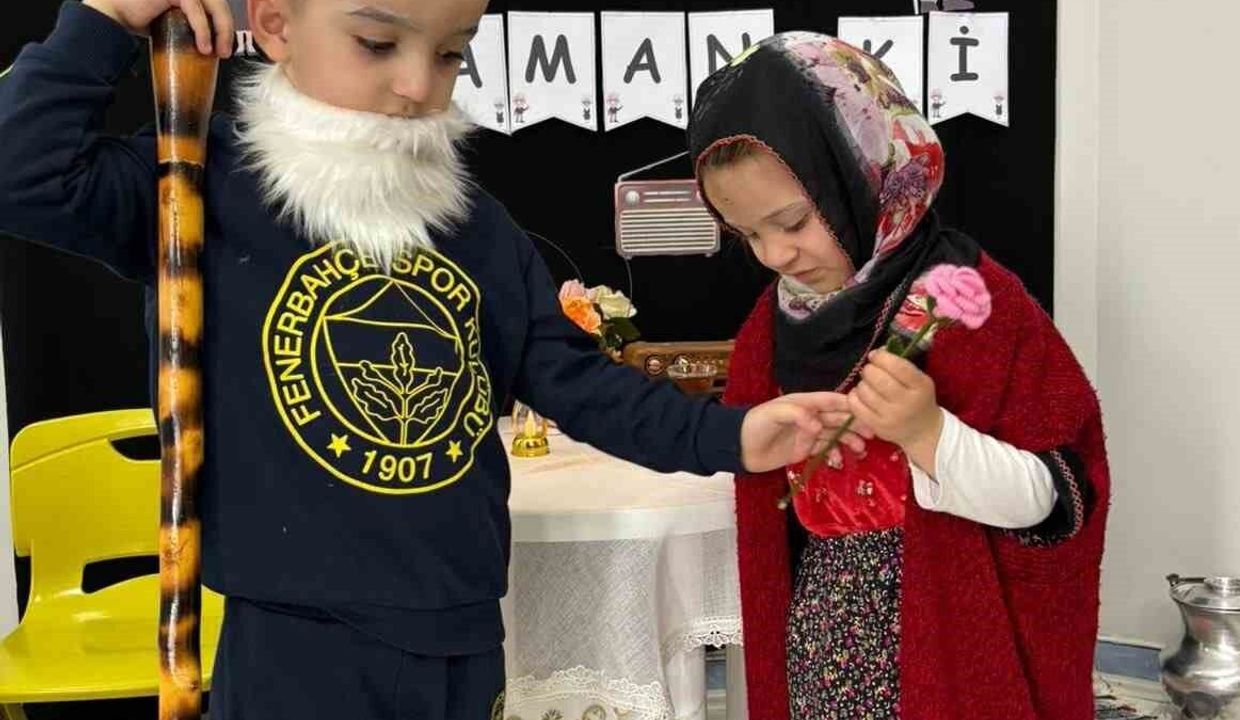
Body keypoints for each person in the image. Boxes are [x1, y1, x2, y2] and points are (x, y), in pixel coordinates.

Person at [0, 4, 862, 718]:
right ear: (276, 24)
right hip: (294, 641)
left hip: (463, 627)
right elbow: (18, 169)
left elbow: (578, 381)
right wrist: (103, 20)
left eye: (450, 54)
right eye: (377, 43)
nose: (418, 84)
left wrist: (731, 437)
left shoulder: (473, 226)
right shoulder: (199, 188)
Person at [687, 32, 1110, 719]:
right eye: (748, 235)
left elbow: (1059, 503)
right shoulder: (770, 331)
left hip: (951, 662)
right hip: (821, 656)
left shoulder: (974, 302)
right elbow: (767, 520)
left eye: (792, 221)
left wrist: (929, 434)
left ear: (864, 173)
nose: (775, 256)